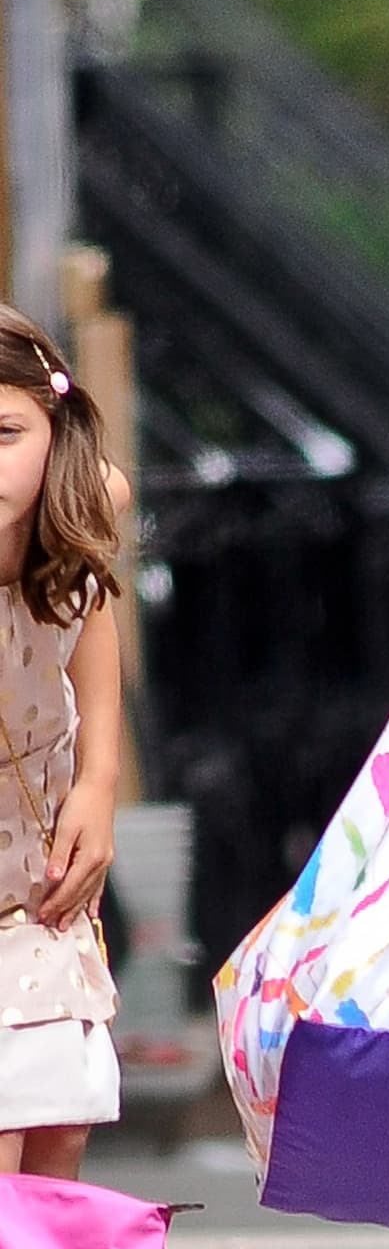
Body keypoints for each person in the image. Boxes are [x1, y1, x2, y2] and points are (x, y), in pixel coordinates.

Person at [0, 305, 130, 1179]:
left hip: (35, 881)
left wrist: (100, 779)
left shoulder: (85, 510)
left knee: (59, 1134)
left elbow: (92, 617)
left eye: (6, 431)